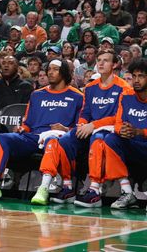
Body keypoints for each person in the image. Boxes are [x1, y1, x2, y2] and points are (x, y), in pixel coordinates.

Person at [0, 59, 83, 201]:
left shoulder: (77, 96)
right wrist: (23, 128)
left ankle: (43, 189)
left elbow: (80, 127)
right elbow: (28, 122)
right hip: (33, 137)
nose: (50, 72)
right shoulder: (37, 94)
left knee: (53, 140)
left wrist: (66, 129)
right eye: (49, 69)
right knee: (3, 138)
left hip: (57, 138)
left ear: (64, 72)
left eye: (55, 69)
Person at [38, 51, 132, 206]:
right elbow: (86, 111)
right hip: (89, 127)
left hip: (109, 129)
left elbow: (119, 116)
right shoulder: (90, 87)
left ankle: (94, 190)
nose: (101, 64)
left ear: (114, 65)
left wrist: (93, 125)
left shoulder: (124, 87)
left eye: (106, 61)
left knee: (98, 139)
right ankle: (67, 186)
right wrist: (82, 124)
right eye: (99, 60)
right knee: (64, 140)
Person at [100, 58, 147, 210]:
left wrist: (140, 131)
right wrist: (122, 130)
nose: (136, 80)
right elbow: (118, 123)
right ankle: (127, 192)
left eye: (141, 76)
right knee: (111, 139)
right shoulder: (126, 95)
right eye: (134, 76)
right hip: (133, 144)